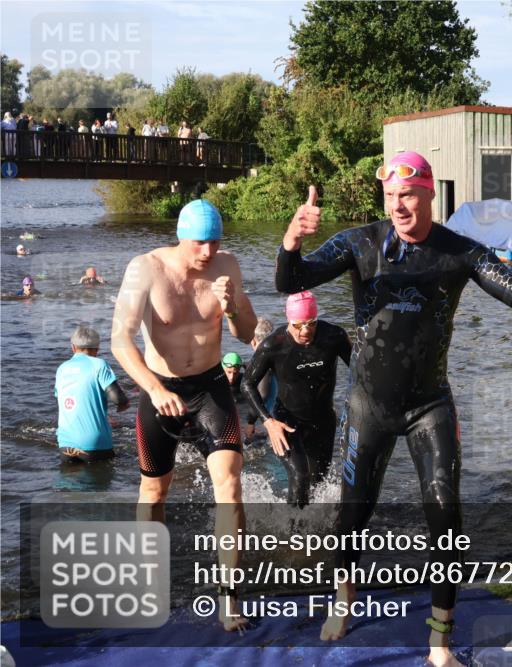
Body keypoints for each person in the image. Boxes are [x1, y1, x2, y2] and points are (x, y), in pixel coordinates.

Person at [276, 151, 512, 665]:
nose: (398, 206)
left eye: (407, 195)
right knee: (352, 511)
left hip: (429, 405)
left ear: (427, 194)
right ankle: (344, 598)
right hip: (369, 405)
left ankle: (439, 642)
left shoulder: (459, 252)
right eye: (390, 197)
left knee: (446, 514)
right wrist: (292, 241)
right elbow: (290, 282)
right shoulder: (360, 243)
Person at [111, 198, 257, 631]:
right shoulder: (147, 269)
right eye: (200, 243)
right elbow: (120, 339)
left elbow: (247, 334)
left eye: (215, 242)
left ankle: (230, 597)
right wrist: (153, 389)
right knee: (154, 492)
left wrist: (232, 307)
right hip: (161, 388)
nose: (209, 252)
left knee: (230, 486)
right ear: (181, 236)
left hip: (211, 386)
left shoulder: (227, 265)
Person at [242, 291, 351, 508]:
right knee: (300, 476)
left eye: (311, 323)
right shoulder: (273, 345)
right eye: (298, 324)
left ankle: (315, 531)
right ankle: (292, 534)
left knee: (319, 482)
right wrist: (267, 421)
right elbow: (247, 384)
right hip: (286, 422)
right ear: (289, 321)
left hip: (323, 421)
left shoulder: (334, 337)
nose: (305, 331)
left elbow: (360, 372)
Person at [55, 326, 130, 462]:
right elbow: (118, 399)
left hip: (65, 445)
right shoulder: (99, 365)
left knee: (69, 482)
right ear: (97, 348)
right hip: (95, 445)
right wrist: (123, 405)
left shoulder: (62, 368)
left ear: (73, 347)